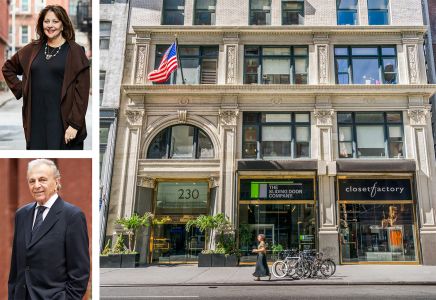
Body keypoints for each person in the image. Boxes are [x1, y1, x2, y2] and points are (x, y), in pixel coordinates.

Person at [2, 5, 90, 150]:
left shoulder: (75, 51)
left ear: (63, 25)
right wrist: (22, 89)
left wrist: (74, 125)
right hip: (36, 120)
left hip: (63, 122)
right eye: (46, 21)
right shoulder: (32, 49)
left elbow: (82, 94)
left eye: (55, 21)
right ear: (41, 24)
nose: (50, 25)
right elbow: (8, 68)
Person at [8, 159, 90, 299]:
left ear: (57, 182)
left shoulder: (72, 216)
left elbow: (80, 272)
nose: (37, 185)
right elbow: (16, 267)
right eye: (32, 181)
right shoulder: (22, 214)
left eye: (42, 180)